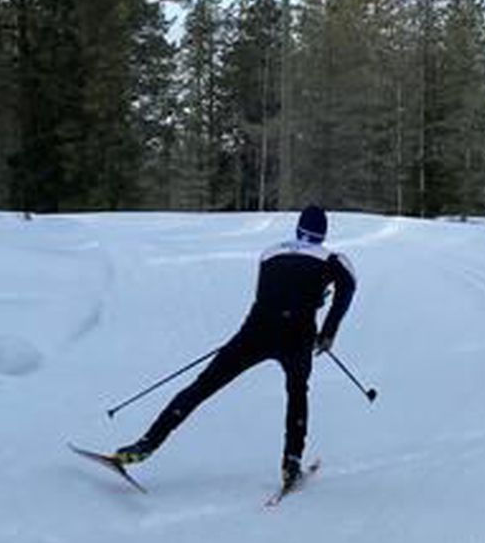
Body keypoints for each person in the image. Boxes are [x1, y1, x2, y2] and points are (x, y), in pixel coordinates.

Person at [113, 205, 355, 490]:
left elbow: (269, 291)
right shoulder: (333, 259)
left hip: (256, 331)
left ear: (297, 229)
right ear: (323, 234)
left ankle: (146, 443)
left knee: (203, 385)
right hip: (297, 335)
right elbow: (348, 287)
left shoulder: (270, 253)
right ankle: (291, 462)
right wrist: (328, 332)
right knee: (297, 393)